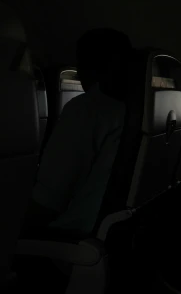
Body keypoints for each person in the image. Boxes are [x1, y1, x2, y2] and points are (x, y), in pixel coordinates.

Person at [25, 28, 132, 235]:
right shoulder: (129, 109)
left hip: (65, 240)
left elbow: (47, 204)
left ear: (86, 68)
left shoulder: (87, 110)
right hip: (105, 237)